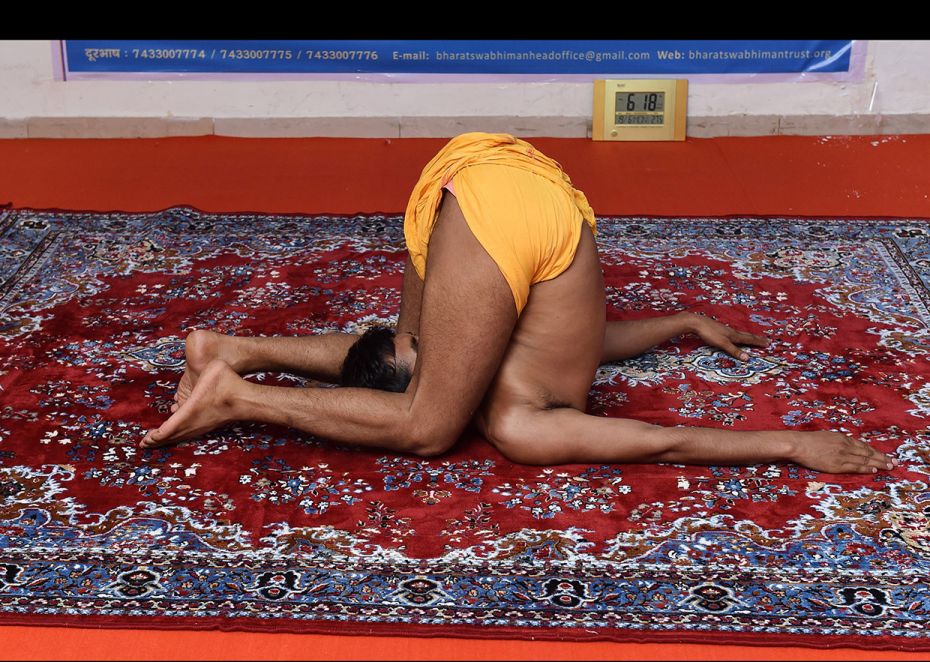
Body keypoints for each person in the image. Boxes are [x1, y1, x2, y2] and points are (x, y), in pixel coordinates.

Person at [140, 132, 897, 476]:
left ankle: (232, 352)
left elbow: (617, 383)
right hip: (486, 165)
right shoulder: (518, 420)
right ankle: (236, 387)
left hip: (474, 196)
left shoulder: (513, 397)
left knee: (422, 391)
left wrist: (683, 323)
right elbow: (653, 431)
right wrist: (791, 442)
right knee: (428, 426)